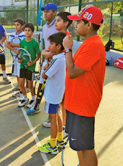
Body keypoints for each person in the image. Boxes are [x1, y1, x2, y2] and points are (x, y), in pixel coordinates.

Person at [63, 6, 105, 166]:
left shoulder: (93, 45)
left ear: (89, 25)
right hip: (76, 104)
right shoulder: (89, 43)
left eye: (79, 22)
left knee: (86, 147)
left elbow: (73, 72)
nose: (75, 25)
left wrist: (67, 49)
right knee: (80, 146)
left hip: (83, 105)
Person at [41, 12, 72, 139]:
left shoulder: (66, 39)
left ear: (66, 23)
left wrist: (46, 55)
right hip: (56, 80)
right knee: (58, 108)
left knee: (62, 104)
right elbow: (49, 52)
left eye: (58, 20)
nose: (56, 23)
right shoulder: (58, 38)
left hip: (58, 82)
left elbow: (45, 73)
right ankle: (59, 131)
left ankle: (63, 128)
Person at [27, 3, 58, 115]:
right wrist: (43, 61)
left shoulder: (58, 27)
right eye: (44, 11)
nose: (45, 13)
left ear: (54, 13)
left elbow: (59, 46)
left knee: (53, 87)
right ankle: (37, 106)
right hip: (46, 60)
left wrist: (51, 58)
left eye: (48, 11)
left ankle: (55, 117)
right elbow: (46, 44)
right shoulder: (44, 27)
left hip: (56, 61)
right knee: (41, 83)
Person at [38, 32, 66, 154]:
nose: (50, 46)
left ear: (59, 46)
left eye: (52, 44)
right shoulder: (62, 58)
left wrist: (45, 67)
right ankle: (59, 140)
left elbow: (44, 74)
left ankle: (52, 145)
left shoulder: (57, 60)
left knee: (52, 119)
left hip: (53, 94)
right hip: (57, 93)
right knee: (57, 116)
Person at [17, 23, 41, 107]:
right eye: (25, 30)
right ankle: (25, 98)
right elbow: (21, 52)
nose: (27, 32)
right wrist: (19, 59)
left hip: (31, 66)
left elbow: (38, 55)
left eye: (29, 30)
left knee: (30, 85)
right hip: (22, 65)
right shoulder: (22, 42)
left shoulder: (35, 43)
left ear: (32, 32)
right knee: (20, 84)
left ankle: (33, 99)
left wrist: (33, 62)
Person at [5, 18, 25, 98]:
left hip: (21, 58)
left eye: (18, 25)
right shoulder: (12, 34)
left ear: (22, 26)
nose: (16, 27)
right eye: (15, 25)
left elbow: (23, 44)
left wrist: (13, 45)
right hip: (14, 57)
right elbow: (7, 44)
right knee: (17, 74)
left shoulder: (24, 34)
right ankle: (20, 90)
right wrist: (14, 50)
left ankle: (22, 91)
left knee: (21, 75)